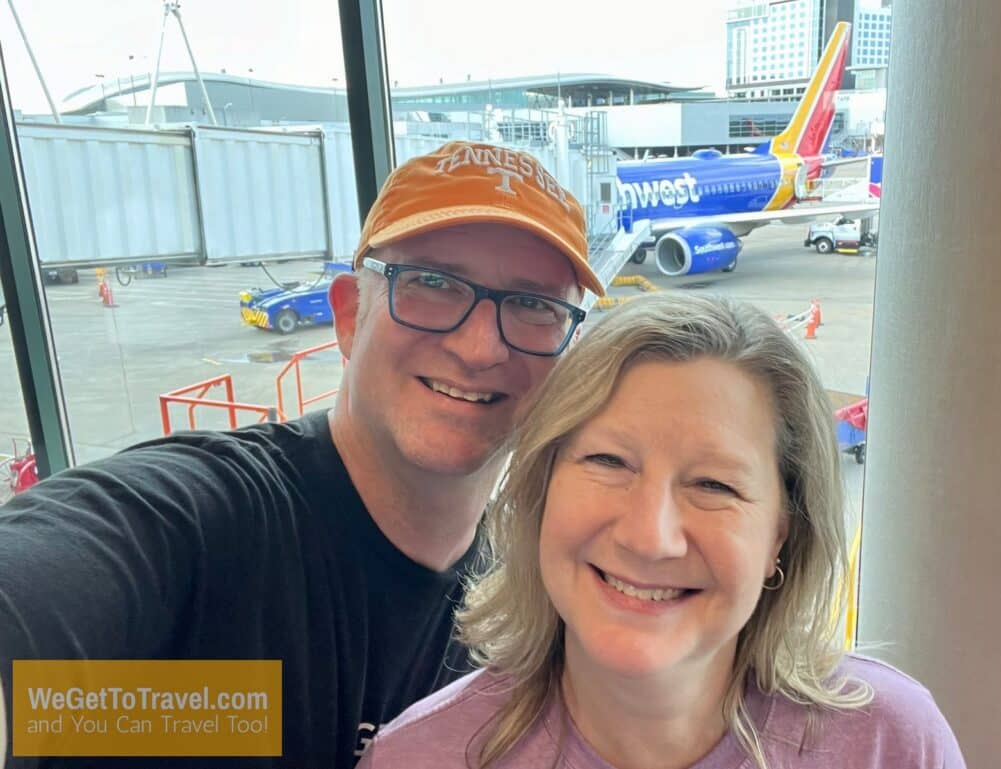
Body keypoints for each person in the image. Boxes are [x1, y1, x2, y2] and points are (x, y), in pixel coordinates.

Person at [0, 140, 604, 768]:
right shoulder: (204, 528)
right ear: (348, 318)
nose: (480, 348)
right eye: (432, 282)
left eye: (533, 304)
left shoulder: (526, 598)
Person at [357, 293, 966, 769]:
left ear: (780, 535)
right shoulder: (416, 759)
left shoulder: (893, 745)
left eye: (714, 486)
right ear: (541, 493)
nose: (650, 537)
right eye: (608, 462)